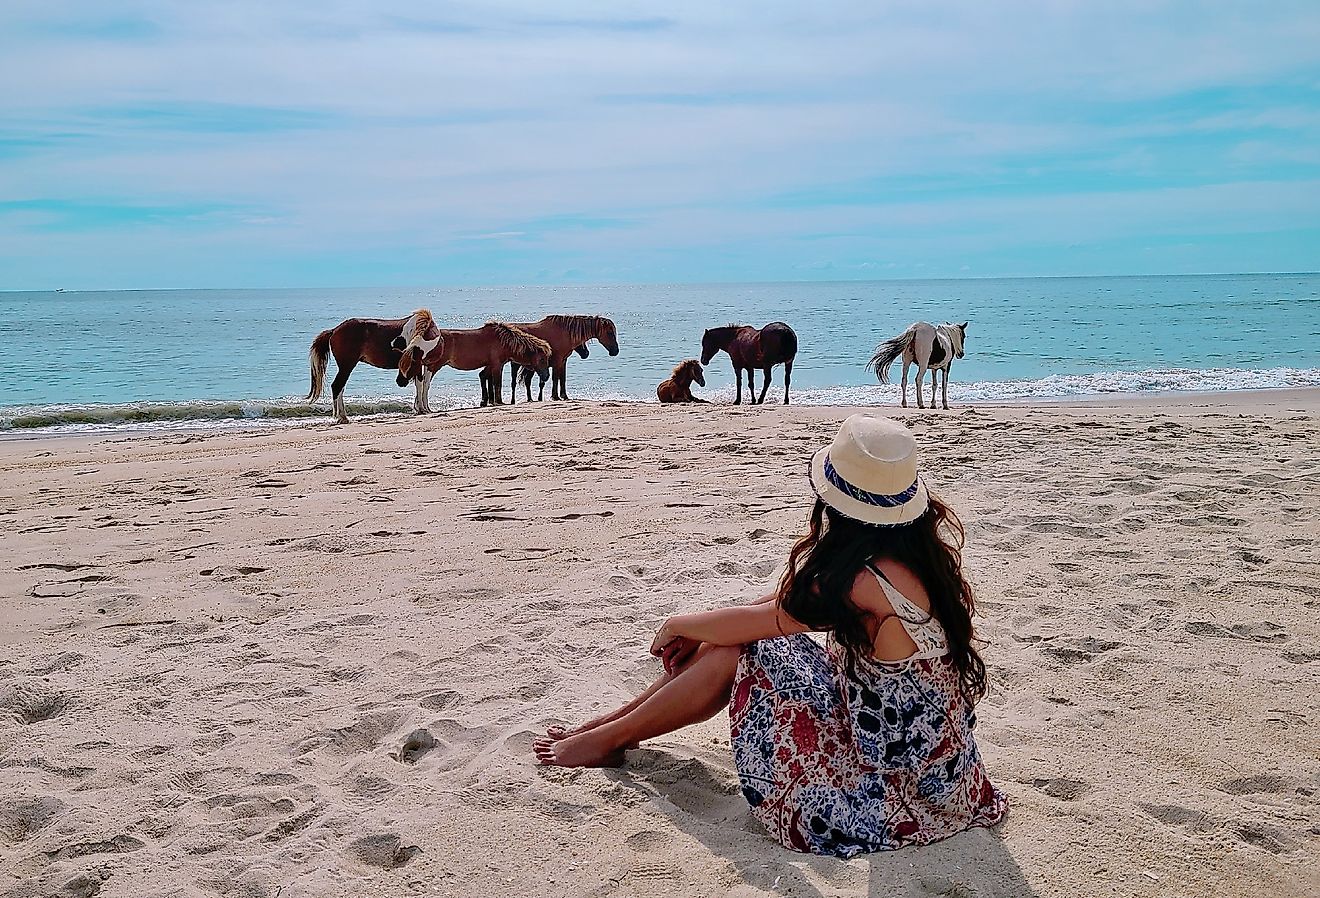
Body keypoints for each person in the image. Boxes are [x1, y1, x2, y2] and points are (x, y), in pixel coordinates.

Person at [534, 413, 1007, 856]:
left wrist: (679, 625)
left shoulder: (862, 584)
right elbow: (775, 607)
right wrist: (702, 629)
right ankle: (614, 727)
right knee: (739, 637)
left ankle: (611, 736)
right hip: (943, 773)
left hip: (885, 785)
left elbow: (764, 622)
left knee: (738, 650)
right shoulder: (917, 558)